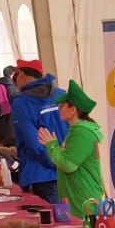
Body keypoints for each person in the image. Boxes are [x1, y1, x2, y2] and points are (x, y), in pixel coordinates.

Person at [34, 79, 105, 220]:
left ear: (73, 110)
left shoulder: (82, 133)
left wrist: (52, 145)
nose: (59, 108)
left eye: (62, 105)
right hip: (79, 197)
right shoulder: (77, 131)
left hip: (83, 199)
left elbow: (68, 164)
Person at [8, 59, 69, 203]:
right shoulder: (62, 94)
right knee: (77, 219)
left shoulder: (21, 103)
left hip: (43, 175)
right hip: (69, 170)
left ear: (21, 73)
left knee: (55, 221)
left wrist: (56, 162)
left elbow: (34, 144)